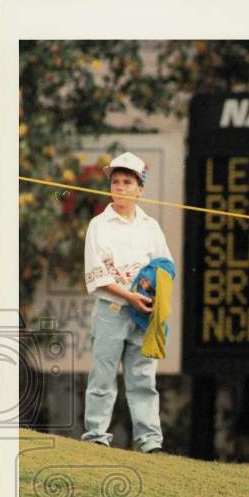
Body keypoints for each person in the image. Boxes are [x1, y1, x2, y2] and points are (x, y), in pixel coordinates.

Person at [81, 152, 173, 453]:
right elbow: (97, 276)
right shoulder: (99, 224)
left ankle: (150, 441)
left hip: (143, 313)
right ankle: (96, 435)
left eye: (127, 182)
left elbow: (165, 268)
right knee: (103, 376)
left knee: (143, 379)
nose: (120, 187)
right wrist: (129, 295)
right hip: (112, 310)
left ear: (140, 189)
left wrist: (152, 299)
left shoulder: (151, 226)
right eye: (116, 182)